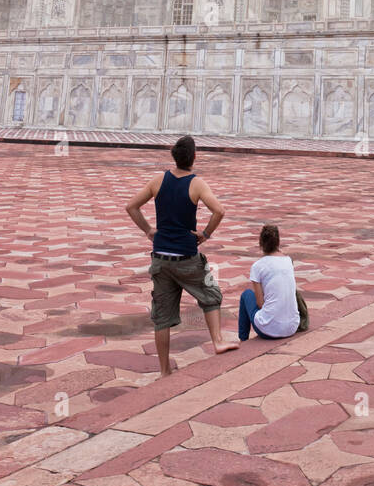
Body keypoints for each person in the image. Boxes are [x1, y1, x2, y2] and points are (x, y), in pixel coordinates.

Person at [126, 135, 238, 375]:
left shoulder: (158, 181)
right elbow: (219, 210)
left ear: (174, 156)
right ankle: (217, 340)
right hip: (187, 257)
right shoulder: (196, 184)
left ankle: (165, 369)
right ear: (194, 157)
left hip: (161, 257)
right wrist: (205, 234)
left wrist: (148, 230)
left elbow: (131, 206)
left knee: (162, 316)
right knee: (211, 294)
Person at [238, 224, 300, 341]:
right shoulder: (288, 260)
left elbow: (260, 304)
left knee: (246, 294)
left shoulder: (258, 266)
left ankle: (243, 339)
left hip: (269, 330)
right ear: (278, 242)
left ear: (260, 243)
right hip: (292, 327)